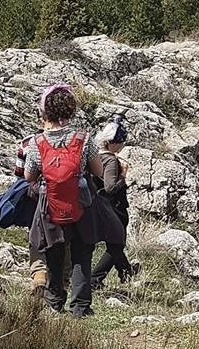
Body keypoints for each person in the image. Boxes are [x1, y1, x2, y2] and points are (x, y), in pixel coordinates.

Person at [25, 83, 104, 318]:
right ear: (70, 110)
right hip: (81, 205)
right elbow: (99, 170)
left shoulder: (36, 143)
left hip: (50, 206)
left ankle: (54, 302)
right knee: (81, 253)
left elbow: (29, 175)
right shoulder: (83, 138)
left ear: (45, 111)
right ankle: (80, 307)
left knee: (54, 253)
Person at [91, 116, 136, 291]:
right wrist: (123, 176)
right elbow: (110, 187)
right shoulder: (110, 160)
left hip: (99, 205)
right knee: (117, 244)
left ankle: (125, 271)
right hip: (114, 207)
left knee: (114, 243)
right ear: (110, 142)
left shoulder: (95, 156)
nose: (122, 145)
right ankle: (96, 278)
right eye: (119, 142)